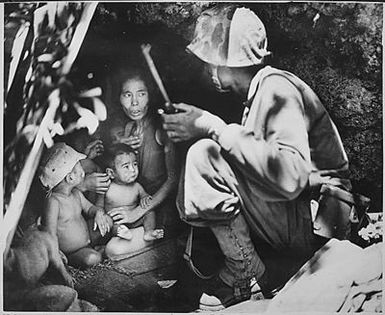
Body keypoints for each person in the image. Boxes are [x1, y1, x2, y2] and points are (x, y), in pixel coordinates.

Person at [161, 4, 351, 311]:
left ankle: (245, 274)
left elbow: (290, 177)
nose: (207, 70)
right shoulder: (261, 91)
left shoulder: (278, 88)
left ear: (225, 62)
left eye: (211, 61)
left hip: (315, 227)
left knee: (205, 154)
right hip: (300, 219)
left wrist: (211, 126)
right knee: (213, 150)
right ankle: (252, 270)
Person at [103, 65, 179, 258]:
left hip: (159, 207)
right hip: (135, 202)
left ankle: (155, 237)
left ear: (150, 95)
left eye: (141, 94)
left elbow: (173, 179)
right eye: (127, 95)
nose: (135, 103)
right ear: (119, 99)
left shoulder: (162, 128)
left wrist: (136, 213)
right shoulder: (128, 128)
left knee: (113, 250)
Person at [39, 143, 112, 269]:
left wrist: (98, 214)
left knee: (108, 221)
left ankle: (95, 249)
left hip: (87, 238)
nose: (83, 172)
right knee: (92, 259)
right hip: (72, 252)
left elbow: (90, 209)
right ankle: (94, 253)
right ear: (70, 178)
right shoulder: (54, 202)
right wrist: (56, 254)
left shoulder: (76, 194)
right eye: (79, 168)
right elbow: (49, 233)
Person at [99, 143, 164, 241]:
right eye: (126, 166)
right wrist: (102, 216)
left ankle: (148, 232)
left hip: (135, 220)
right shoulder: (106, 188)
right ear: (111, 173)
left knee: (149, 212)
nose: (133, 170)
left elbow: (145, 196)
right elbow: (99, 207)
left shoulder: (137, 186)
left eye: (135, 164)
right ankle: (122, 233)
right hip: (117, 223)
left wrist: (145, 198)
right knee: (110, 223)